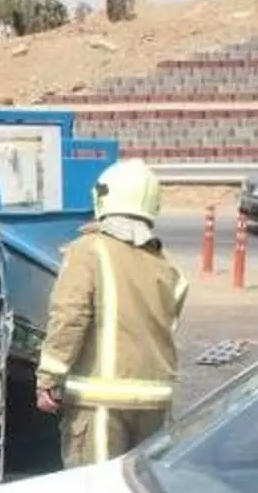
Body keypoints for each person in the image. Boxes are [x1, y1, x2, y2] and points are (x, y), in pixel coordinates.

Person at [35, 158, 189, 469]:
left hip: (100, 405)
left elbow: (70, 317)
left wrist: (48, 377)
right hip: (156, 404)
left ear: (103, 198)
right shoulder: (168, 266)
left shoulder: (88, 250)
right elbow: (167, 326)